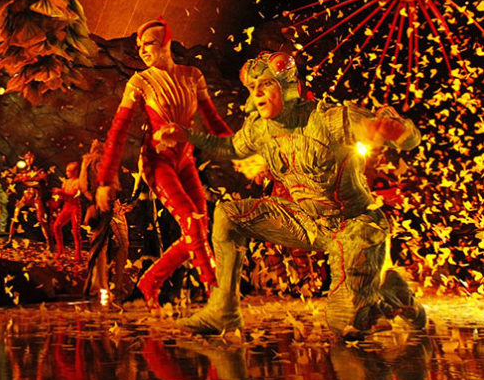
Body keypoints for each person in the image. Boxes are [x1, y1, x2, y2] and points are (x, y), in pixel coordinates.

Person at [159, 50, 426, 337]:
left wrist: (397, 130)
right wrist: (187, 135)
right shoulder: (259, 129)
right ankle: (223, 310)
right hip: (307, 222)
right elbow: (231, 147)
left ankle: (394, 294)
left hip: (354, 225)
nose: (257, 93)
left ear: (288, 88)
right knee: (228, 215)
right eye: (253, 87)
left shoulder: (330, 119)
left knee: (344, 320)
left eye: (266, 84)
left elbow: (407, 139)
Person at [95, 17, 232, 309]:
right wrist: (106, 179)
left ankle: (150, 282)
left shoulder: (192, 75)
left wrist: (245, 152)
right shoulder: (140, 81)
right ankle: (216, 294)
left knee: (199, 228)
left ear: (166, 44)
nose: (143, 50)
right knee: (193, 223)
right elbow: (119, 130)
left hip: (185, 161)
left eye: (149, 44)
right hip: (157, 162)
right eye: (140, 46)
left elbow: (214, 121)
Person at [8, 152, 52, 249]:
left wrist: (27, 180)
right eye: (27, 159)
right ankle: (10, 240)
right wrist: (18, 180)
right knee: (15, 215)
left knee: (41, 219)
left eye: (31, 158)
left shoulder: (40, 171)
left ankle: (49, 242)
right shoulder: (24, 172)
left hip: (36, 197)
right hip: (26, 196)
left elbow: (40, 183)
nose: (29, 160)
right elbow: (15, 179)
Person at [51, 158, 91, 260]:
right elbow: (63, 196)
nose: (66, 173)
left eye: (69, 171)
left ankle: (78, 254)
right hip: (66, 207)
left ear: (75, 171)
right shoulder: (66, 182)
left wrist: (60, 192)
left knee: (75, 231)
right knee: (56, 226)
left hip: (74, 208)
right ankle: (60, 250)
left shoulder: (78, 182)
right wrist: (56, 200)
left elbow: (74, 195)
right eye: (67, 171)